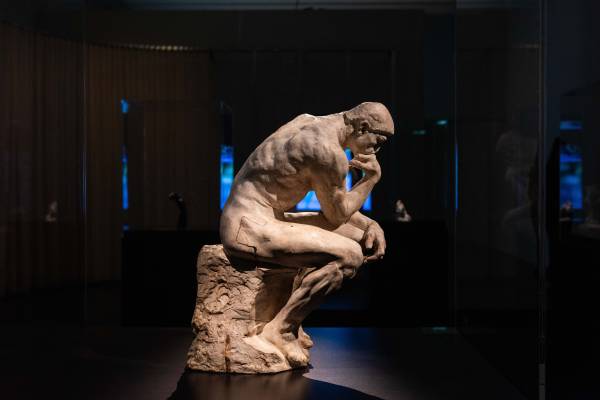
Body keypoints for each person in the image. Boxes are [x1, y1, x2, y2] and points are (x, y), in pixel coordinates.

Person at [220, 102, 393, 366]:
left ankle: (287, 315)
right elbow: (337, 214)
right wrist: (370, 180)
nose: (376, 150)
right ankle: (281, 328)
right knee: (350, 256)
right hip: (247, 227)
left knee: (361, 237)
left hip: (264, 217)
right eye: (377, 141)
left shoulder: (310, 121)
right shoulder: (328, 152)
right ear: (363, 127)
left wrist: (369, 225)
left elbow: (334, 205)